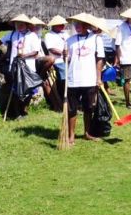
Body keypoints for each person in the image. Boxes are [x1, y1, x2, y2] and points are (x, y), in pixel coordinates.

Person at [0, 13, 41, 118]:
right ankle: (17, 113)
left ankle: (23, 110)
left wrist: (23, 56)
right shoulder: (12, 34)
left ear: (26, 24)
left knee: (29, 91)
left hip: (28, 68)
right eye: (17, 24)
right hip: (15, 67)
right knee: (16, 91)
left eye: (21, 24)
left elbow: (35, 52)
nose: (19, 26)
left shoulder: (32, 36)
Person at [64, 14, 105, 143]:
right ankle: (71, 135)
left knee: (88, 108)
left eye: (80, 24)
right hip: (73, 79)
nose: (77, 27)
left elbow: (100, 59)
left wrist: (98, 78)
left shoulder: (96, 39)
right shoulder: (70, 40)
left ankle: (87, 132)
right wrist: (64, 55)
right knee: (72, 109)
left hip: (89, 79)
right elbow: (67, 59)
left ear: (87, 26)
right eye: (75, 24)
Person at [44, 15, 68, 106]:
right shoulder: (49, 35)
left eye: (63, 24)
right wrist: (63, 53)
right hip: (58, 61)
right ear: (54, 25)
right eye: (60, 24)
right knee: (64, 78)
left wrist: (68, 54)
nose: (62, 26)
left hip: (67, 59)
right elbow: (51, 49)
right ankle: (63, 99)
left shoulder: (65, 34)